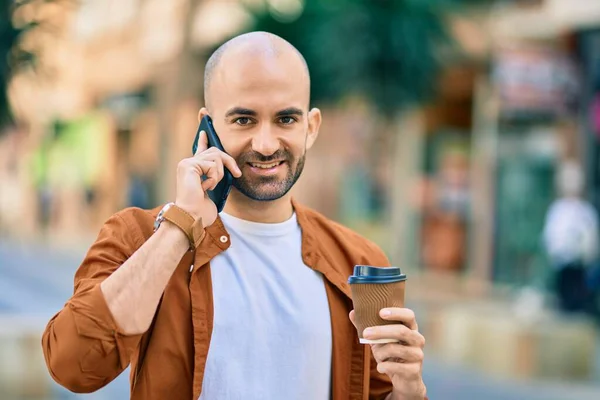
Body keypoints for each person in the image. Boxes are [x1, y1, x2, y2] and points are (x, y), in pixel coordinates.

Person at [41, 32, 427, 400]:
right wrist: (181, 227)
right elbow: (74, 365)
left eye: (286, 120)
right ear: (207, 126)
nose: (265, 144)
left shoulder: (358, 261)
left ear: (311, 128)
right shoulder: (140, 236)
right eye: (243, 120)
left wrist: (410, 390)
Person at [542, 160, 599, 313]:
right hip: (563, 264)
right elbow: (552, 236)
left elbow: (590, 237)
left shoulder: (585, 210)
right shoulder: (558, 210)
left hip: (579, 265)